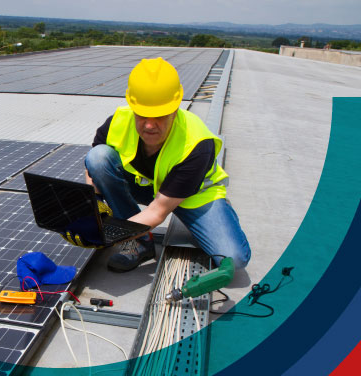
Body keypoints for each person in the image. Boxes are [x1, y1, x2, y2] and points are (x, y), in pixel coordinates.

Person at [64, 57, 251, 273]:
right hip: (144, 186)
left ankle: (213, 215)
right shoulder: (117, 121)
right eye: (143, 115)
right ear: (133, 106)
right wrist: (93, 202)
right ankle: (140, 243)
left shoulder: (197, 143)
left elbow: (157, 211)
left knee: (234, 259)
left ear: (175, 107)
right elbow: (92, 167)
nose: (150, 125)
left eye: (160, 115)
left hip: (192, 195)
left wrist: (107, 235)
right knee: (98, 156)